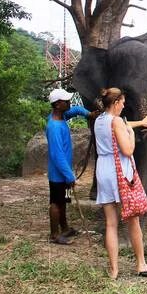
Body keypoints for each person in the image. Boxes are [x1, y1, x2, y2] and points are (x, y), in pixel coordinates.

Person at [94, 87, 147, 279]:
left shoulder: (99, 120)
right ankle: (141, 264)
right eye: (122, 102)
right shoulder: (116, 122)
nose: (124, 106)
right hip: (120, 172)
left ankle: (114, 270)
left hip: (103, 170)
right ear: (115, 103)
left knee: (111, 223)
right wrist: (131, 134)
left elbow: (121, 123)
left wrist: (140, 122)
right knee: (133, 220)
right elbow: (128, 150)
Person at [45, 88, 90, 244]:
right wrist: (69, 176)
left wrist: (88, 114)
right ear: (58, 104)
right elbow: (57, 155)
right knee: (56, 202)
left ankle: (64, 228)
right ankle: (54, 234)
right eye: (66, 101)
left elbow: (76, 110)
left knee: (64, 200)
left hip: (64, 173)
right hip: (58, 175)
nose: (69, 102)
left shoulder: (61, 116)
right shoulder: (54, 127)